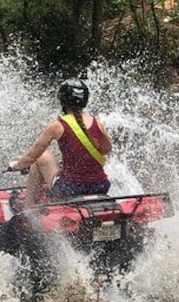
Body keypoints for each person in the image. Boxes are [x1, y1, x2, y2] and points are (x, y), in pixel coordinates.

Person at [8, 78, 112, 206]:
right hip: (101, 186)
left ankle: (28, 208)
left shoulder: (57, 126)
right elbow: (106, 150)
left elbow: (31, 157)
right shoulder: (97, 123)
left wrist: (16, 166)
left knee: (41, 158)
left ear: (62, 99)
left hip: (70, 189)